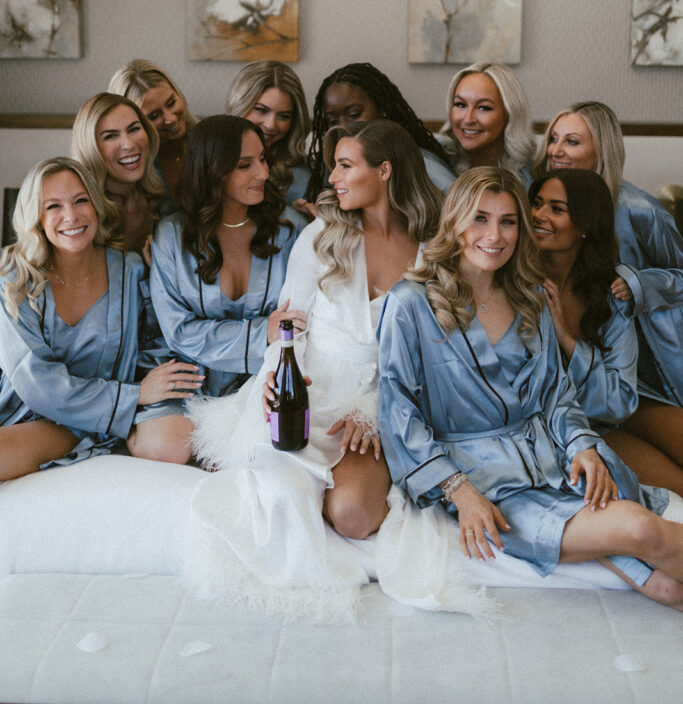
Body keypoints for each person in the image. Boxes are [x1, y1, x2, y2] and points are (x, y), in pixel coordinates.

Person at [378, 167, 682, 611]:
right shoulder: (410, 304)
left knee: (668, 587)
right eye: (480, 218)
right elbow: (397, 413)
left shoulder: (529, 298)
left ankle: (646, 576)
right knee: (641, 530)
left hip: (557, 458)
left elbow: (557, 394)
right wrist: (460, 492)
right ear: (455, 221)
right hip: (488, 483)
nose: (494, 235)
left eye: (508, 221)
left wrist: (583, 445)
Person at [185, 119, 443, 619]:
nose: (333, 180)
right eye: (334, 168)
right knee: (279, 494)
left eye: (346, 167)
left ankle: (374, 474)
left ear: (385, 171)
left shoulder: (434, 246)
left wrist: (375, 411)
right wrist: (280, 376)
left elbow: (436, 355)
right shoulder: (322, 235)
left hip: (385, 395)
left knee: (352, 515)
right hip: (309, 383)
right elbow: (291, 325)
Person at [0, 158, 203, 479]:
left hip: (117, 407)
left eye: (81, 200)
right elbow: (34, 381)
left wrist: (148, 394)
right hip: (36, 413)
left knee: (171, 442)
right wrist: (130, 397)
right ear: (35, 217)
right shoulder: (13, 280)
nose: (71, 216)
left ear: (96, 204)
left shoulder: (132, 269)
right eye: (53, 206)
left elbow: (156, 343)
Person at [530, 170, 683, 495]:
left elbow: (620, 401)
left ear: (585, 225)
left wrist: (570, 343)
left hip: (611, 412)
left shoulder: (611, 293)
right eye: (537, 203)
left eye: (556, 209)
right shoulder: (519, 284)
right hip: (557, 428)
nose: (539, 215)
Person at [533, 100, 683, 410]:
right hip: (570, 357)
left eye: (571, 141)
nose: (555, 150)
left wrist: (639, 283)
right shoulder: (537, 203)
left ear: (602, 149)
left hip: (644, 361)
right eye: (553, 138)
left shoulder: (642, 212)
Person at [150, 115, 304, 401]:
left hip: (269, 378)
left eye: (262, 159)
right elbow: (178, 331)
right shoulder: (172, 234)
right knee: (164, 446)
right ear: (212, 171)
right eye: (245, 165)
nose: (263, 173)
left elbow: (301, 320)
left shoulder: (290, 229)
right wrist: (262, 332)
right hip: (187, 381)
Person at [300, 62, 454, 212]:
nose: (343, 126)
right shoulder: (332, 167)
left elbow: (461, 208)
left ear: (383, 109)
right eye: (333, 121)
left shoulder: (418, 160)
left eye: (354, 114)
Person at [71, 92, 164, 262]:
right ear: (90, 148)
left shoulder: (160, 199)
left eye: (134, 129)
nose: (128, 144)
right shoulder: (79, 214)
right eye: (110, 136)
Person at [108, 59, 197, 208]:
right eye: (154, 116)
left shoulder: (209, 141)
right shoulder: (129, 167)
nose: (171, 119)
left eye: (171, 103)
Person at [225, 60, 310, 205]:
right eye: (261, 110)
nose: (271, 125)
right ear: (239, 104)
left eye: (284, 116)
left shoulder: (304, 176)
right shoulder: (210, 156)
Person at [437, 62, 535, 184]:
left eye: (483, 108)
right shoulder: (433, 157)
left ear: (509, 114)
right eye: (460, 104)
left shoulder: (531, 175)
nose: (468, 119)